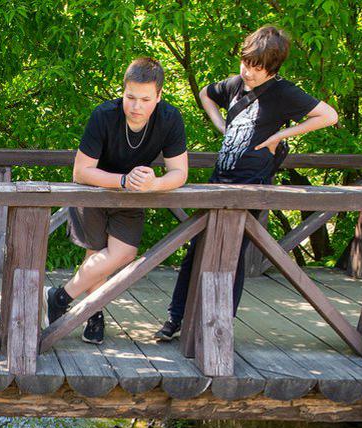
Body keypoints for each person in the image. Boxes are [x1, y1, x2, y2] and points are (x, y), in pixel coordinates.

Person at [155, 25, 338, 342]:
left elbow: (328, 115)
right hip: (218, 183)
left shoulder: (283, 93)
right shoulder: (236, 84)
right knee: (195, 252)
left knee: (231, 260)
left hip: (251, 187)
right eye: (246, 64)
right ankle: (176, 318)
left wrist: (279, 136)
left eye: (258, 68)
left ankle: (216, 327)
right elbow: (205, 95)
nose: (249, 72)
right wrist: (221, 125)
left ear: (273, 67)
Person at [46, 57, 189, 344]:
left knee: (123, 253)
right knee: (96, 251)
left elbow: (180, 172)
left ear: (159, 96)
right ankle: (94, 314)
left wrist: (154, 184)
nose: (136, 107)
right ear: (122, 91)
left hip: (134, 195)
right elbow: (81, 171)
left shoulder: (170, 119)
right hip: (95, 190)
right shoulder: (104, 115)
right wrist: (123, 180)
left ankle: (60, 296)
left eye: (145, 99)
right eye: (130, 97)